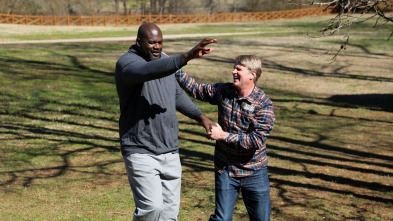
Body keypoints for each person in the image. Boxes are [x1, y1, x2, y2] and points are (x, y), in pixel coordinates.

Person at [114, 22, 216, 221]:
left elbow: (176, 94)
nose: (158, 47)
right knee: (151, 208)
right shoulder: (127, 64)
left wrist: (201, 117)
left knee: (169, 214)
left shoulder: (165, 62)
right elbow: (148, 71)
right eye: (152, 43)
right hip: (140, 149)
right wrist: (185, 57)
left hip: (170, 149)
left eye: (160, 42)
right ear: (138, 42)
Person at [175, 55, 275, 221]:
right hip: (226, 169)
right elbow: (196, 89)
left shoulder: (264, 104)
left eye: (238, 69)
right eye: (234, 67)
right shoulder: (224, 91)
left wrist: (222, 135)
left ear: (252, 75)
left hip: (254, 172)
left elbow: (255, 141)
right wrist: (173, 66)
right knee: (221, 219)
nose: (233, 71)